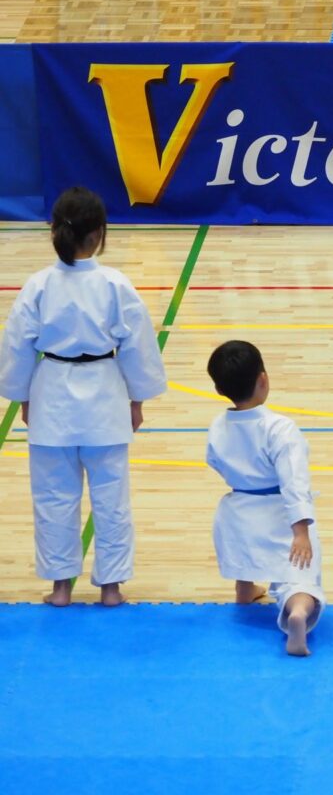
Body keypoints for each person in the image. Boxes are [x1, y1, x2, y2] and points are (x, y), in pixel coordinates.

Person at [0, 186, 166, 607]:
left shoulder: (38, 286)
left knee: (54, 498)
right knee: (111, 497)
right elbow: (137, 345)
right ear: (99, 235)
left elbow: (17, 345)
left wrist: (22, 396)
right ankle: (110, 588)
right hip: (105, 393)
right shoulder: (115, 284)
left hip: (51, 391)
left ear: (55, 231)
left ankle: (61, 587)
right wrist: (137, 398)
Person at [206, 340, 324, 656]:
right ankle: (297, 610)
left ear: (219, 389)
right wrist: (301, 531)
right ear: (263, 379)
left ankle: (245, 591)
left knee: (246, 558)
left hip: (236, 513)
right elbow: (294, 481)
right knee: (300, 578)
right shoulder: (280, 428)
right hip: (279, 514)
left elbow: (214, 462)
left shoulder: (218, 426)